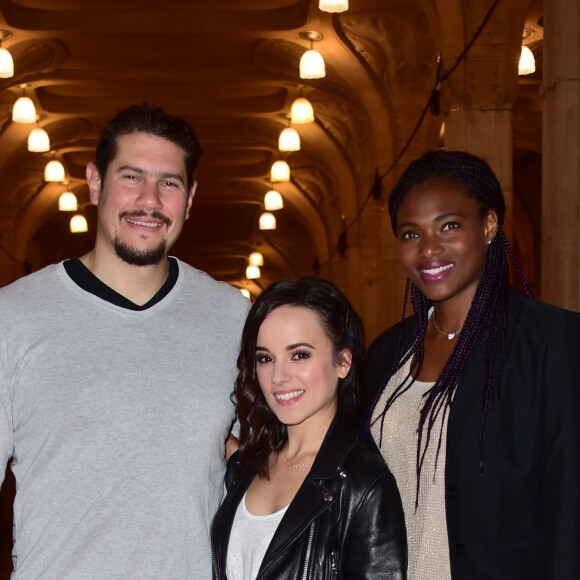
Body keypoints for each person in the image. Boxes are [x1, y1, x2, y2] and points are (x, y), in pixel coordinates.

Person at [0, 103, 249, 578]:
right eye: (131, 177)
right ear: (95, 182)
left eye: (169, 183)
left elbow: (275, 464)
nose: (150, 201)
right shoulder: (13, 317)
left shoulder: (233, 317)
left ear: (191, 197)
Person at [362, 149, 580, 579]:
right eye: (410, 234)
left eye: (448, 225)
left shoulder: (549, 342)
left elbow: (570, 506)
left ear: (488, 225)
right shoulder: (388, 353)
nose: (428, 249)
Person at [211, 277, 407, 579]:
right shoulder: (243, 467)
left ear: (343, 361)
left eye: (299, 355)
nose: (279, 376)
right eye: (266, 358)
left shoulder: (363, 485)